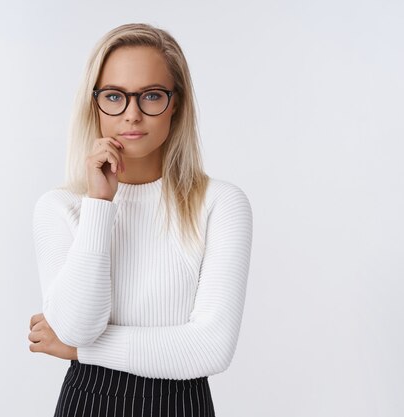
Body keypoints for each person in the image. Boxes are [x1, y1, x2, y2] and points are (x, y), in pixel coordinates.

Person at [28, 23, 253, 417]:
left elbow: (211, 348)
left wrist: (79, 350)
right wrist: (100, 203)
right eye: (114, 96)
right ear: (93, 103)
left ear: (176, 104)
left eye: (151, 96)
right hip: (88, 404)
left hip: (182, 406)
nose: (132, 115)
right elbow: (78, 325)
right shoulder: (60, 207)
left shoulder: (219, 204)